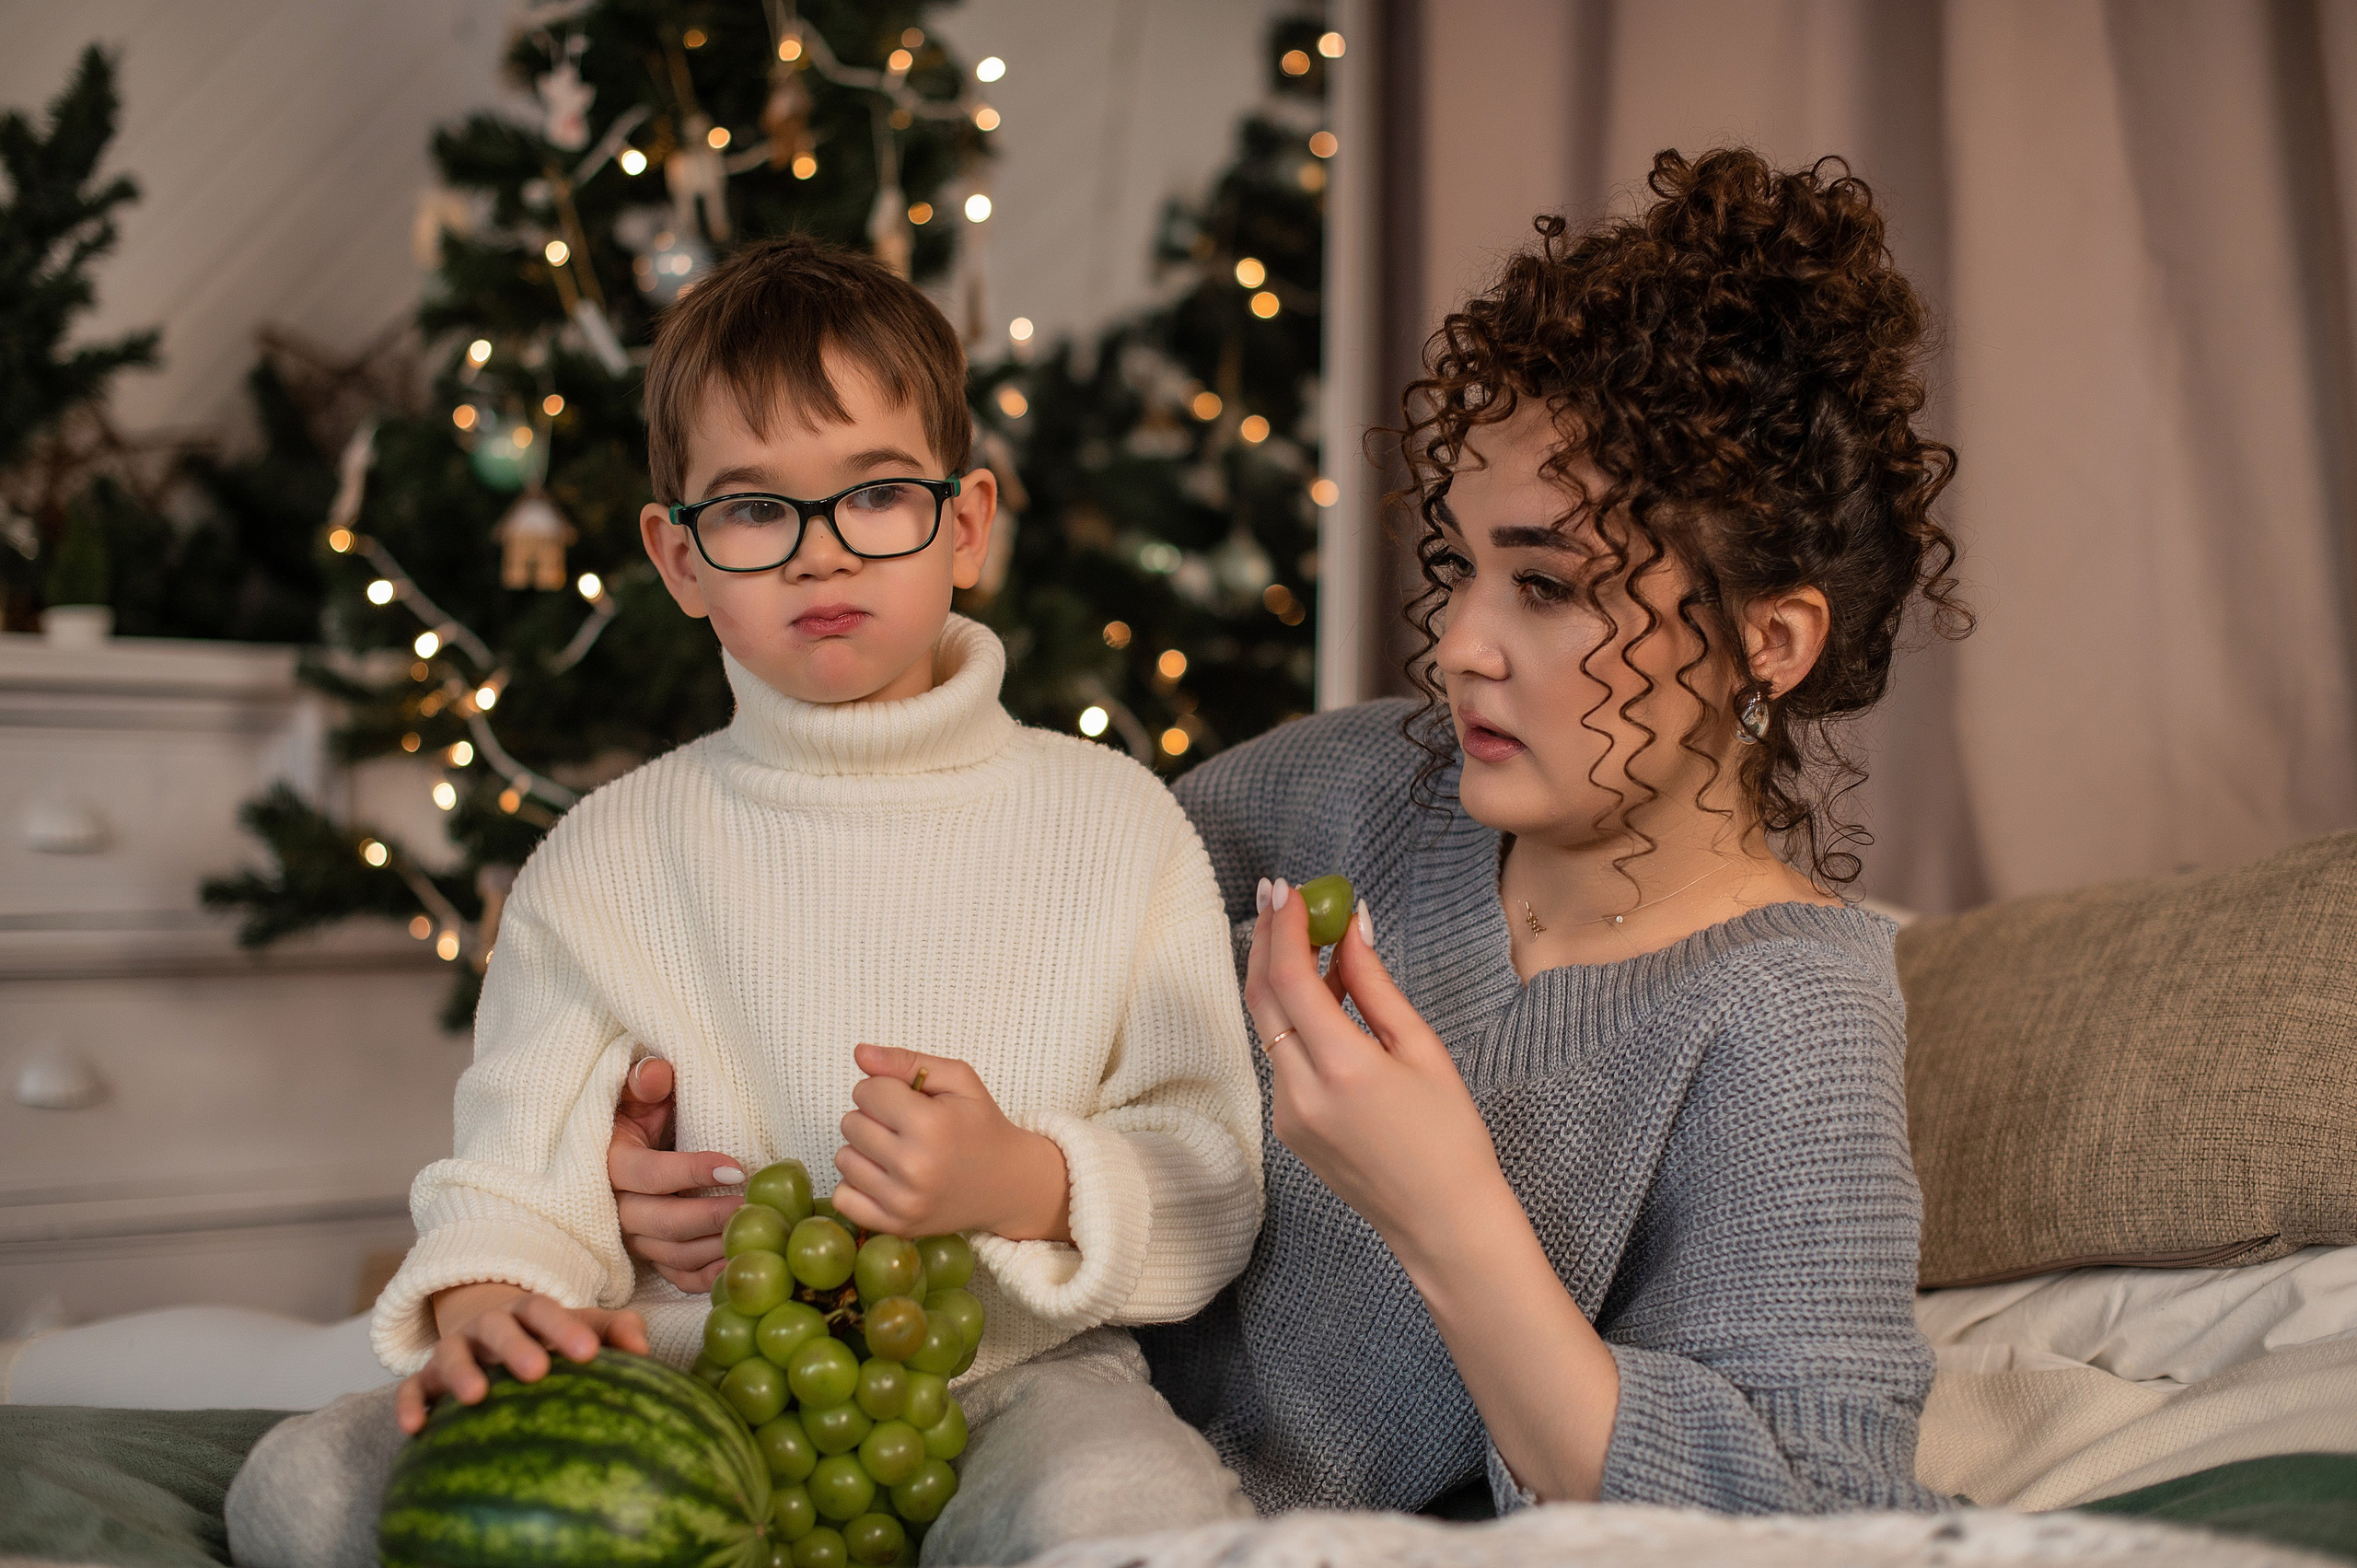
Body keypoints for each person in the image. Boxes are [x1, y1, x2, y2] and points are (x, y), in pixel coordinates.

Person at [608, 149, 1965, 1518]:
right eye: (1469, 567)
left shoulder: (1792, 1021)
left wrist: (1447, 1211)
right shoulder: (1341, 793)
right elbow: (973, 976)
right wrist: (676, 1145)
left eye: (1548, 587)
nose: (1459, 648)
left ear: (1770, 643)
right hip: (965, 1452)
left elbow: (1823, 1520)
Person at [225, 237, 1263, 1568]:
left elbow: (1215, 1172)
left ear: (966, 525)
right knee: (299, 1488)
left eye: (876, 493)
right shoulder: (604, 859)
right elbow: (511, 1173)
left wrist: (1027, 1178)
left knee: (1132, 1512)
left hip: (1016, 1395)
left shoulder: (1121, 827)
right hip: (679, 1394)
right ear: (678, 559)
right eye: (755, 510)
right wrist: (493, 1298)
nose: (819, 556)